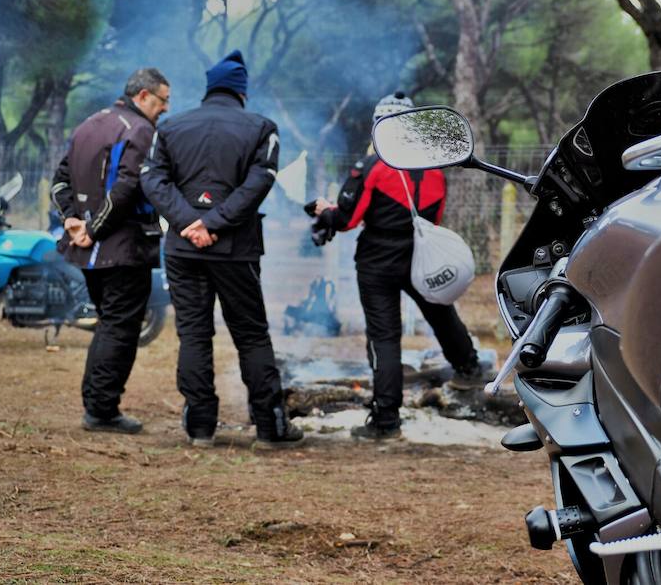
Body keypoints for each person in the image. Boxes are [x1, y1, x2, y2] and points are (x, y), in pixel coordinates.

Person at [140, 49, 302, 449]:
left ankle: (200, 428)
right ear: (241, 93)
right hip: (236, 250)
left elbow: (153, 179)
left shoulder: (172, 127)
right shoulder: (261, 127)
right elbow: (258, 183)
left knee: (193, 334)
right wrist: (212, 224)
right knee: (251, 335)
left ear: (210, 88)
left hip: (183, 249)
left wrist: (188, 222)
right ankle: (269, 428)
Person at [309, 92, 484, 440]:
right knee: (440, 311)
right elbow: (433, 216)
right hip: (421, 255)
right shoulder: (434, 167)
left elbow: (346, 219)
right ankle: (469, 368)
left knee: (384, 336)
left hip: (377, 259)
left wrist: (322, 211)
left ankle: (386, 419)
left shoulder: (371, 167)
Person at [51, 67, 170, 434]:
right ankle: (101, 410)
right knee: (120, 327)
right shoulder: (140, 130)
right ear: (143, 96)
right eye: (163, 100)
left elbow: (58, 179)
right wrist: (90, 228)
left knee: (110, 325)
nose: (166, 108)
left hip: (89, 251)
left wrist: (71, 218)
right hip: (121, 248)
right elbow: (127, 188)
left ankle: (98, 404)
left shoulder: (90, 123)